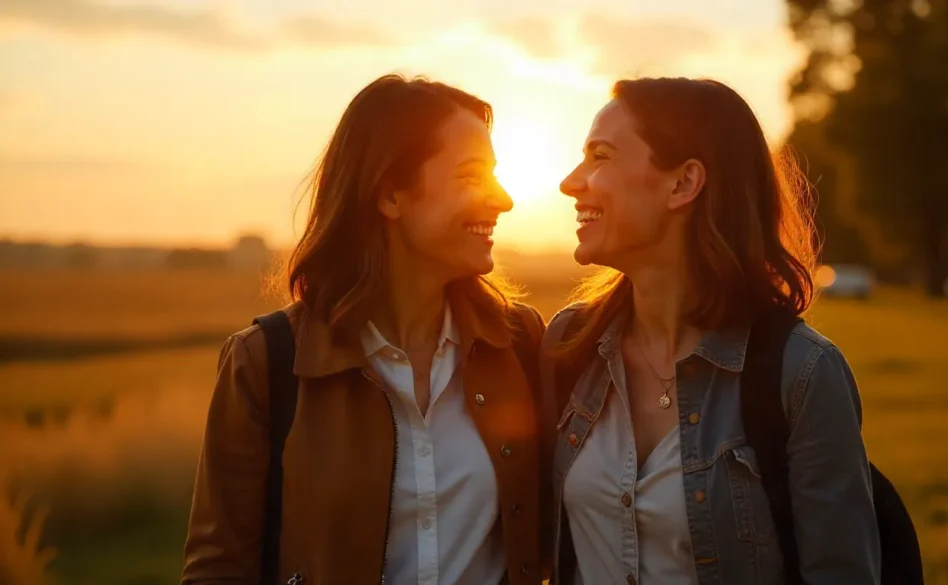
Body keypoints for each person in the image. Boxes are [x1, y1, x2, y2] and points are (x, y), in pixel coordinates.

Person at [182, 74, 547, 585]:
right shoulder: (266, 362)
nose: (503, 200)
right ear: (390, 195)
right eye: (471, 177)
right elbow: (218, 568)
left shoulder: (521, 344)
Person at [540, 77, 881, 585]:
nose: (571, 181)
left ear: (683, 183)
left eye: (601, 156)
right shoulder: (569, 345)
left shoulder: (801, 374)